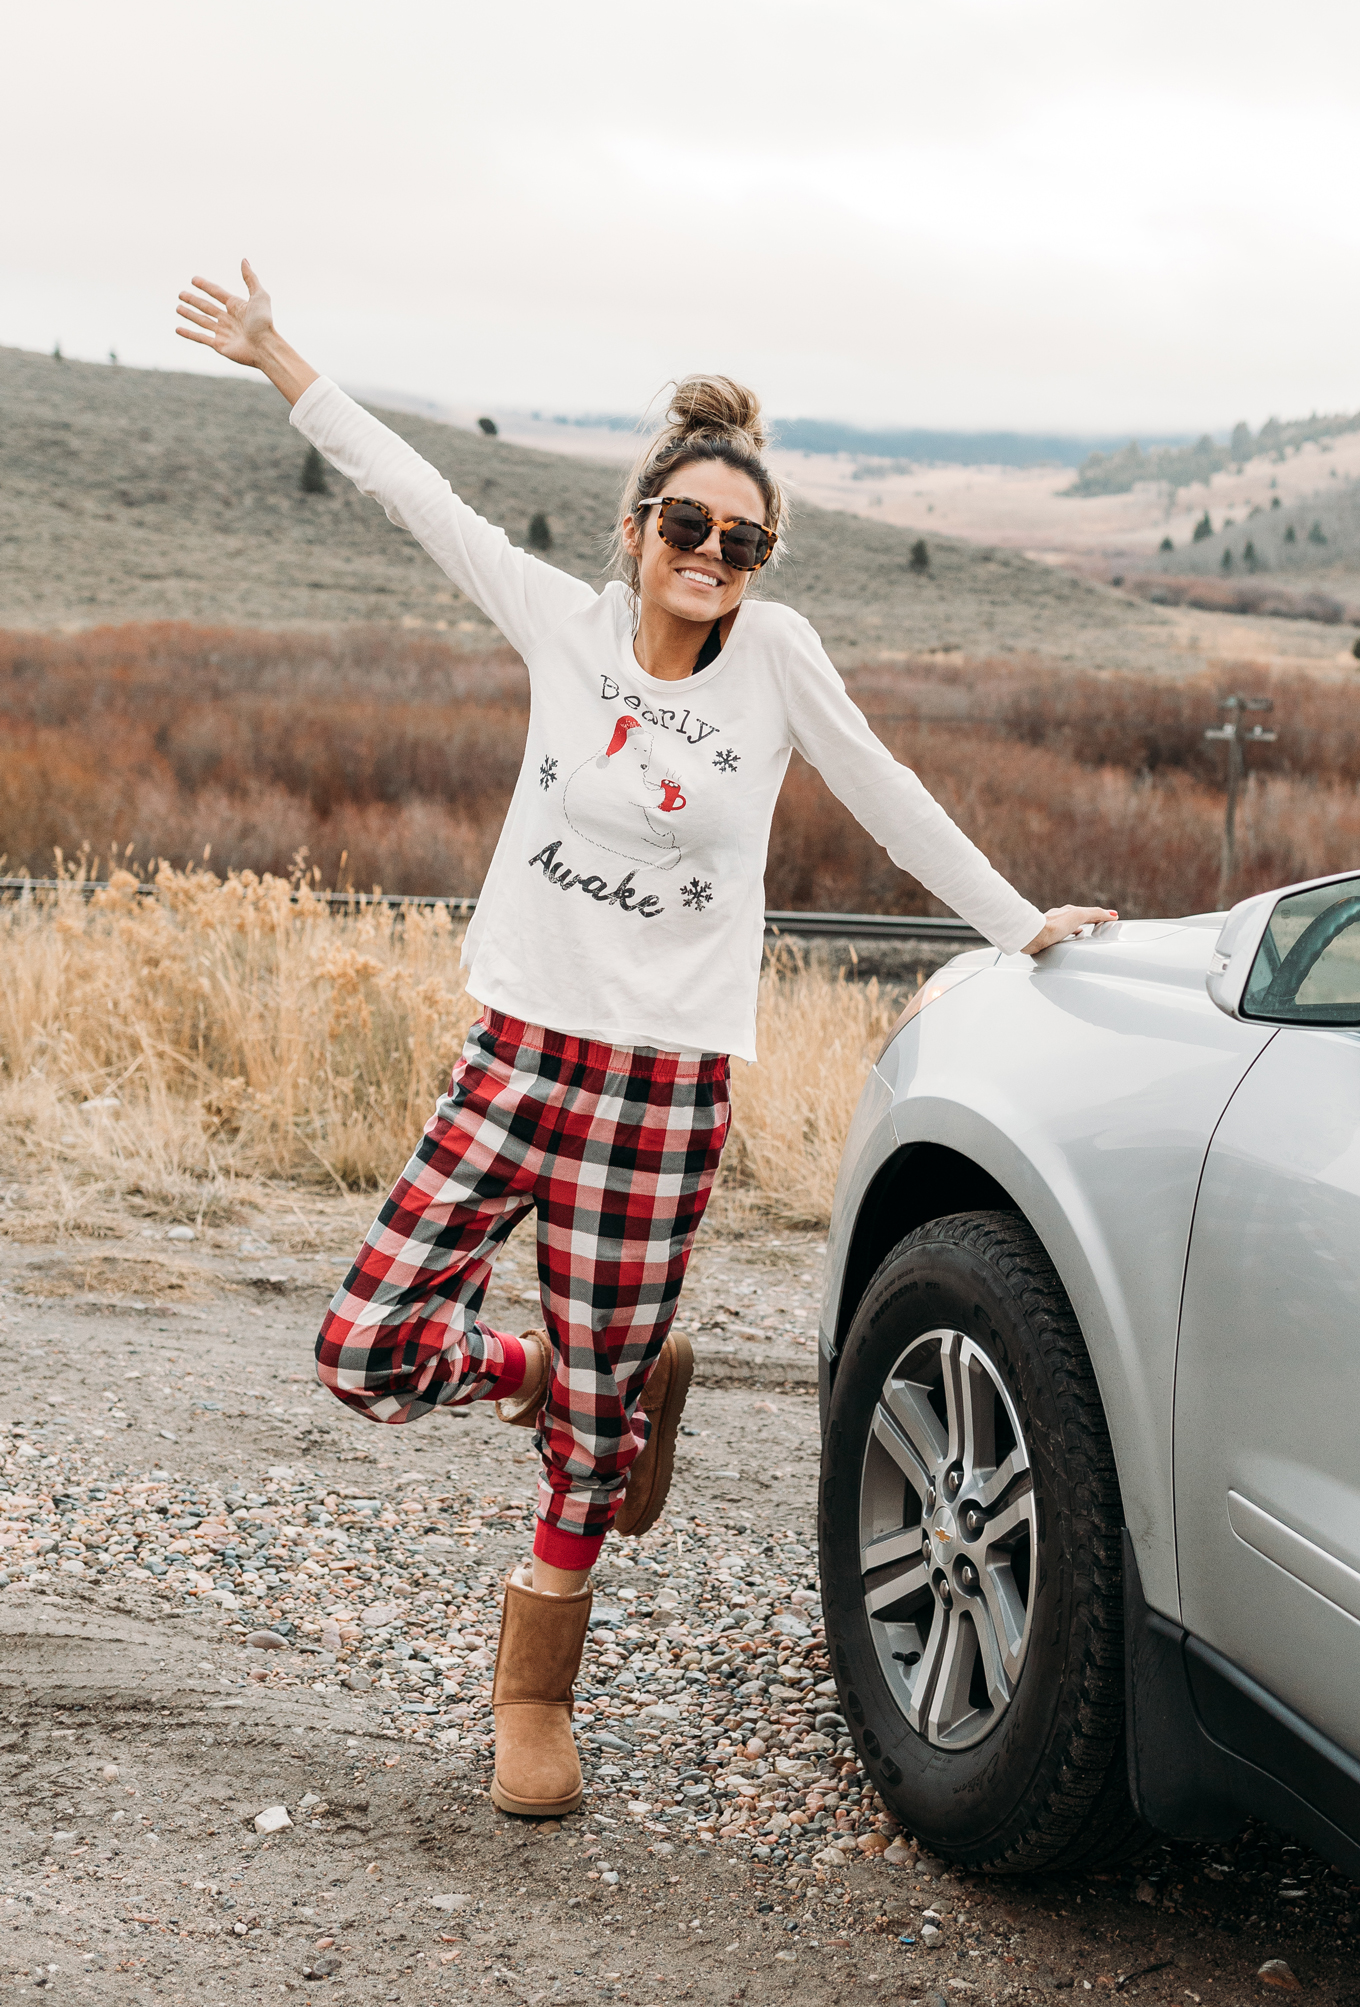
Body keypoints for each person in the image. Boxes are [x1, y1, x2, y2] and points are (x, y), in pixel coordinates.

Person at [175, 260, 1116, 1819]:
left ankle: (532, 1688)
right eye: (687, 527)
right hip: (520, 1054)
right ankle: (545, 1373)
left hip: (664, 1089)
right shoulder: (567, 623)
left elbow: (890, 796)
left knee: (604, 1438)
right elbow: (416, 493)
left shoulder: (778, 659)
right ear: (636, 529)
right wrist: (284, 358)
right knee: (363, 1348)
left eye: (742, 543)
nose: (711, 558)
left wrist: (1019, 923)